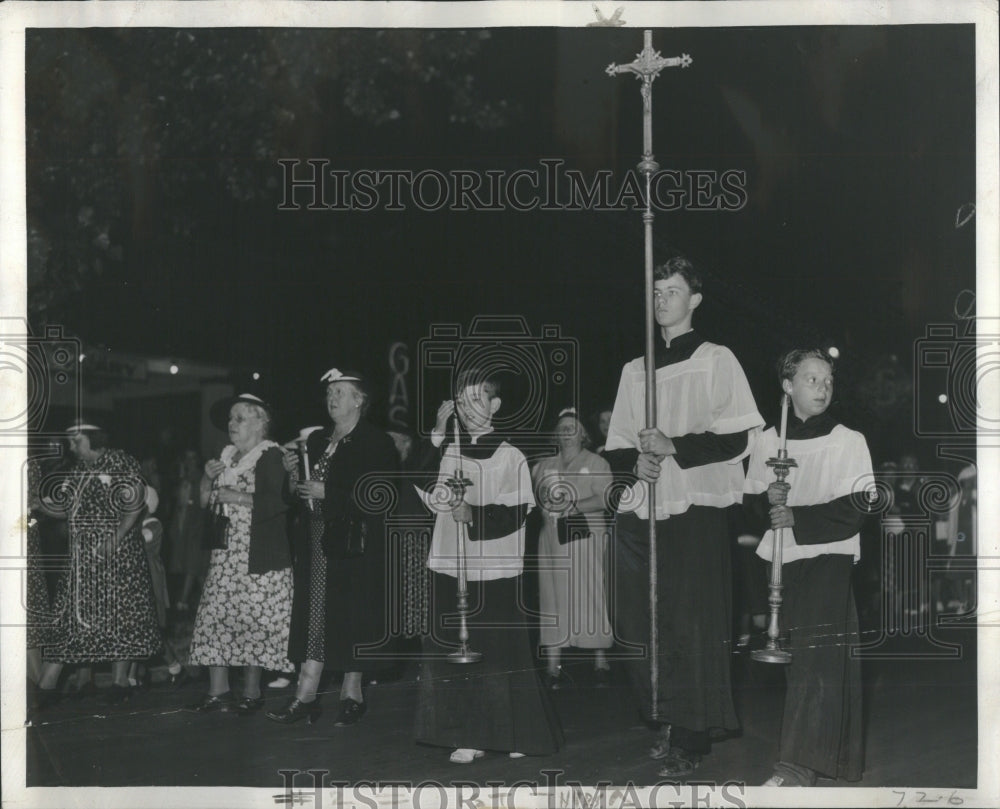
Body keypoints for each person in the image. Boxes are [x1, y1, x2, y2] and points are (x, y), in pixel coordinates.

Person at [603, 251, 763, 777]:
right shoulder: (635, 369)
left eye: (671, 291)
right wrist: (638, 461)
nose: (661, 300)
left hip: (697, 502)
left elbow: (740, 434)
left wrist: (673, 446)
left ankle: (692, 734)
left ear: (694, 299)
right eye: (654, 291)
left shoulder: (717, 359)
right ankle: (668, 714)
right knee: (641, 616)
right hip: (647, 502)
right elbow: (619, 444)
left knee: (694, 620)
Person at [414, 369, 562, 763]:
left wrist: (475, 514)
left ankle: (514, 733)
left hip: (495, 565)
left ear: (495, 405)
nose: (466, 409)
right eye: (461, 402)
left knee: (500, 653)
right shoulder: (447, 450)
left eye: (476, 400)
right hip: (452, 562)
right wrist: (436, 432)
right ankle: (468, 735)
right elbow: (419, 483)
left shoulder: (510, 454)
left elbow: (518, 512)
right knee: (458, 649)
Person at [743, 349, 873, 786]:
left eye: (828, 381)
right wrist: (768, 505)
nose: (823, 388)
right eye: (812, 379)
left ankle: (794, 769)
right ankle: (827, 758)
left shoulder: (847, 440)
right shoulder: (767, 440)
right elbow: (750, 505)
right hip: (783, 559)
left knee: (815, 663)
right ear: (788, 387)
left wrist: (797, 516)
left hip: (828, 553)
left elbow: (858, 505)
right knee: (810, 664)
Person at [268, 369, 399, 726]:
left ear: (359, 400)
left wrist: (333, 494)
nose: (332, 398)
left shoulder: (376, 442)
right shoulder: (315, 441)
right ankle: (305, 696)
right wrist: (292, 477)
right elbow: (295, 496)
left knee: (350, 616)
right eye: (329, 392)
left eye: (340, 391)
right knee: (315, 616)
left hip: (353, 543)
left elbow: (384, 495)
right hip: (315, 541)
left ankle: (350, 692)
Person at [33, 423, 161, 710]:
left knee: (121, 617)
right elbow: (67, 509)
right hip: (82, 557)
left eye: (76, 441)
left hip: (117, 556)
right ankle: (46, 686)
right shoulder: (79, 470)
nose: (72, 447)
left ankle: (119, 684)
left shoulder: (118, 462)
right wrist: (40, 506)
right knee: (69, 618)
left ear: (93, 439)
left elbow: (135, 504)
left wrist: (114, 540)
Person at [186, 394, 295, 715]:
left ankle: (251, 693)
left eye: (240, 418)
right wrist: (206, 477)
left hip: (258, 556)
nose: (232, 424)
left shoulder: (271, 455)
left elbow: (281, 503)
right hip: (225, 555)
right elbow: (205, 501)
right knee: (217, 618)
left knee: (253, 622)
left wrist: (237, 496)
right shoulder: (226, 456)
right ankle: (217, 692)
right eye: (231, 419)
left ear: (261, 422)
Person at [532, 408, 613, 687]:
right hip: (552, 537)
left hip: (585, 534)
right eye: (562, 428)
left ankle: (601, 660)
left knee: (590, 593)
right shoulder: (542, 465)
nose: (567, 433)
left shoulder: (597, 462)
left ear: (584, 435)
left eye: (573, 428)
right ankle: (553, 666)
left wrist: (573, 505)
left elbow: (606, 499)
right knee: (552, 597)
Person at [168, 448, 210, 615]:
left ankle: (182, 601)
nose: (190, 461)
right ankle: (210, 600)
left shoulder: (201, 476)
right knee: (195, 568)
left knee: (192, 565)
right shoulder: (184, 476)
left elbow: (203, 503)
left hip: (196, 526)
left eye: (193, 458)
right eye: (187, 458)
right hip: (183, 524)